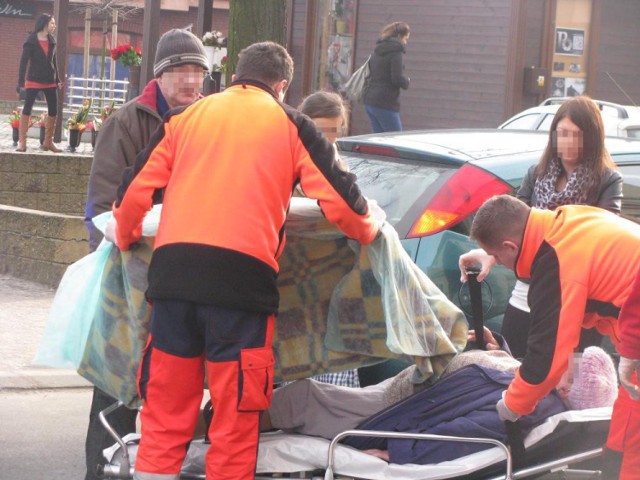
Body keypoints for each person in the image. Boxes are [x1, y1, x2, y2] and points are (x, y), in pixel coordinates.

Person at [108, 41, 381, 480]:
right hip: (242, 291)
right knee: (234, 421)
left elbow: (133, 193)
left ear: (235, 74)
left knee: (164, 416)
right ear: (283, 86)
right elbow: (347, 209)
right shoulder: (292, 125)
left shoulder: (184, 117)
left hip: (173, 284)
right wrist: (371, 232)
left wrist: (125, 237)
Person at [82, 28, 209, 480]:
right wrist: (114, 273)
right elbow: (100, 205)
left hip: (187, 276)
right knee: (117, 388)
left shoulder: (208, 120)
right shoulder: (128, 122)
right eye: (181, 70)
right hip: (129, 274)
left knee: (174, 390)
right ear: (160, 75)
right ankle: (100, 471)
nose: (191, 81)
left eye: (198, 71)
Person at [459, 194, 640, 479]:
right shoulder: (567, 221)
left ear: (509, 245)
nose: (500, 263)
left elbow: (546, 359)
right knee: (624, 437)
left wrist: (511, 405)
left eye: (498, 255)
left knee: (630, 450)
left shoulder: (556, 263)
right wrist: (491, 254)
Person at [261, 336, 617, 464]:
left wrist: (397, 452)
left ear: (567, 391)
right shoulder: (543, 383)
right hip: (412, 391)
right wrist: (497, 349)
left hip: (395, 411)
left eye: (569, 369)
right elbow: (501, 375)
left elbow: (468, 433)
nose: (563, 361)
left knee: (303, 397)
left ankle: (221, 427)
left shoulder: (532, 404)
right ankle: (229, 417)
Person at [473, 96, 623, 358]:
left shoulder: (607, 179)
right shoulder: (536, 173)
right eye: (563, 133)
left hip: (577, 298)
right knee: (512, 360)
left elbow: (603, 238)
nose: (569, 142)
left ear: (593, 138)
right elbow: (509, 228)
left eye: (578, 135)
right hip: (529, 288)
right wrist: (490, 255)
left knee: (569, 376)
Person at [16, 13, 63, 153]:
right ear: (45, 24)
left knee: (54, 110)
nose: (54, 26)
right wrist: (20, 81)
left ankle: (48, 142)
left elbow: (54, 62)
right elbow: (23, 62)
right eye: (52, 23)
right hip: (33, 79)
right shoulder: (31, 40)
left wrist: (57, 79)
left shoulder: (52, 40)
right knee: (27, 108)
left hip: (49, 80)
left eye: (54, 23)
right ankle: (22, 142)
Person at [363, 21, 410, 133]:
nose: (406, 42)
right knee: (395, 140)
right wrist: (407, 81)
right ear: (399, 36)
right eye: (406, 38)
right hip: (386, 103)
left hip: (370, 101)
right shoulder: (396, 53)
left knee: (379, 141)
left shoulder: (378, 50)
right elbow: (396, 78)